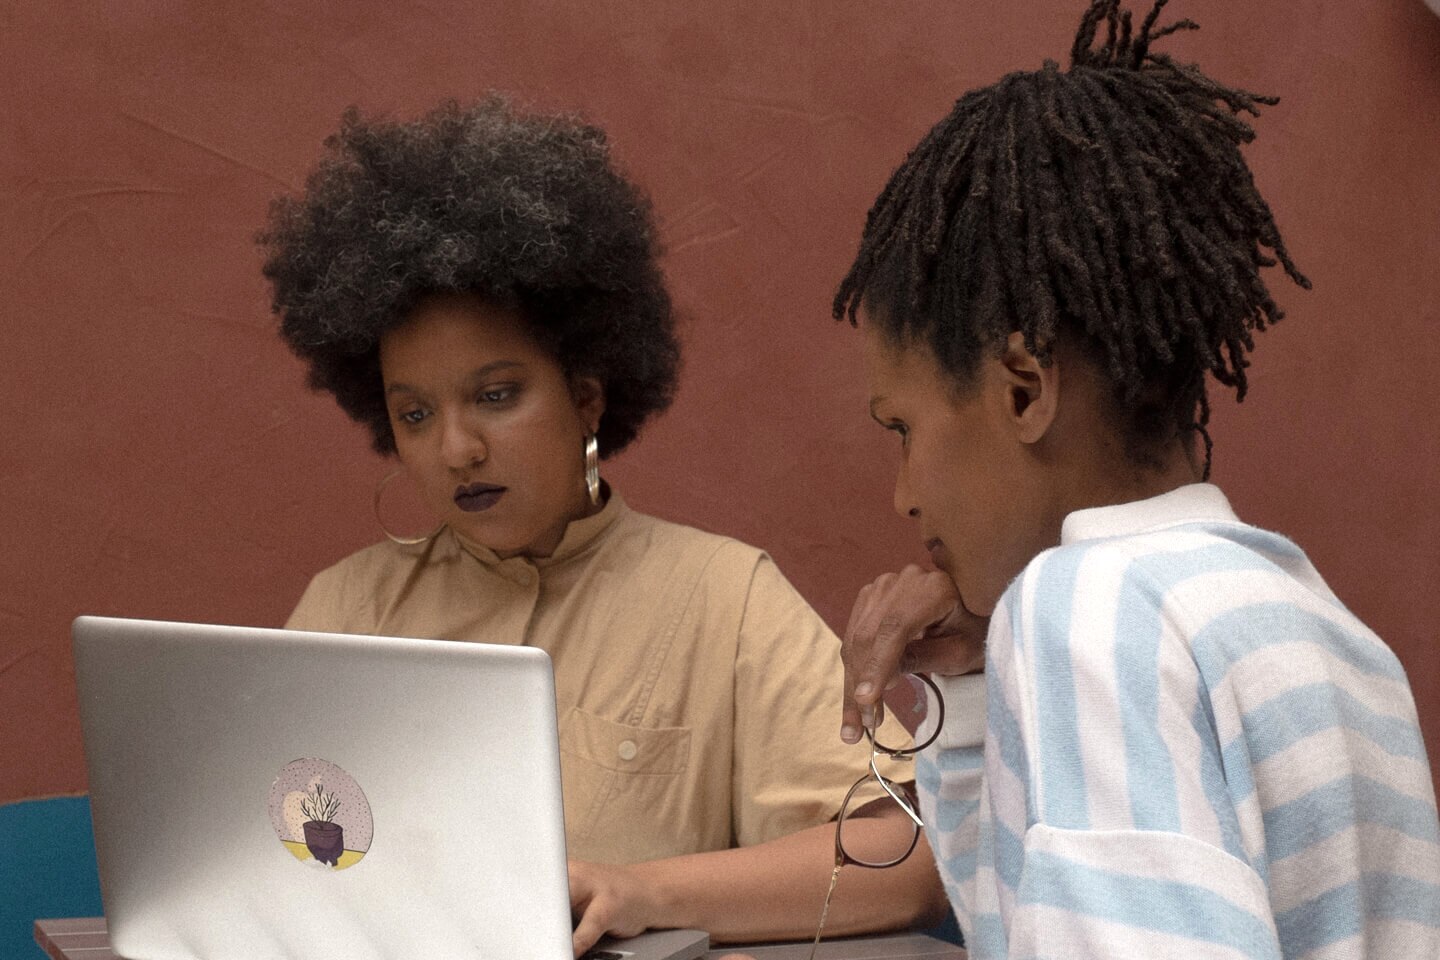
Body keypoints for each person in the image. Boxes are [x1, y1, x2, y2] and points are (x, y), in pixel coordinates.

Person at [258, 98, 947, 954]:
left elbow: (902, 860)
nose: (457, 448)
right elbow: (266, 861)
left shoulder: (722, 598)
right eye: (415, 414)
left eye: (496, 395)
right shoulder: (343, 611)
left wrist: (644, 891)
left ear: (586, 396)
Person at [828, 1, 1440, 957]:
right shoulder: (1329, 634)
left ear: (1024, 388)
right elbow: (1038, 931)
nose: (903, 493)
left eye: (902, 429)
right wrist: (977, 688)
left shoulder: (1090, 605)